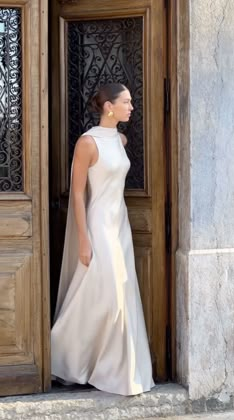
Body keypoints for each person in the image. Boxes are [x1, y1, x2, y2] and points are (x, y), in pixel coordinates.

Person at [51, 83, 155, 396]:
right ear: (109, 106)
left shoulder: (120, 140)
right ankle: (60, 354)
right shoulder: (87, 142)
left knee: (115, 295)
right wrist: (84, 239)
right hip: (98, 225)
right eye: (127, 102)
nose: (132, 107)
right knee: (110, 297)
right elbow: (79, 195)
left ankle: (117, 371)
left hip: (119, 223)